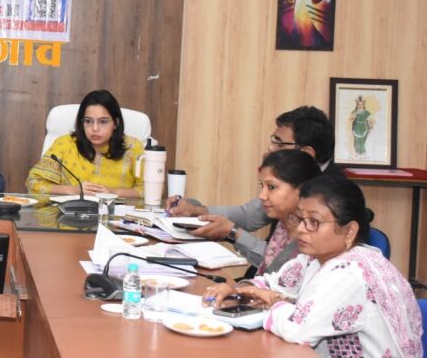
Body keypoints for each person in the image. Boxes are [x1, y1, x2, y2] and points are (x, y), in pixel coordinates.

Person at [204, 175, 422, 357]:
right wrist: (239, 291)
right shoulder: (314, 258)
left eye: (314, 222)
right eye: (301, 218)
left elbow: (297, 329)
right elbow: (273, 283)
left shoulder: (350, 275)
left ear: (349, 231)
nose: (301, 229)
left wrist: (272, 301)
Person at [167, 106, 345, 258]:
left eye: (280, 144)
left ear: (306, 153)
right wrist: (197, 211)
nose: (271, 148)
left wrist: (232, 233)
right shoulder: (290, 183)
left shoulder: (332, 199)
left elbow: (284, 266)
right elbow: (249, 215)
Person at [25, 90, 144, 198]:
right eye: (88, 121)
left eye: (103, 121)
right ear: (81, 123)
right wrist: (73, 190)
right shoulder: (65, 144)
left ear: (116, 123)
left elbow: (147, 191)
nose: (95, 128)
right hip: (69, 213)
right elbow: (33, 183)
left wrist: (112, 192)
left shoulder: (133, 147)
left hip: (117, 213)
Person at [247, 150, 321, 273]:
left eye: (271, 187)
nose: (262, 196)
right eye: (262, 186)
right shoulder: (283, 224)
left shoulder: (315, 240)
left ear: (302, 190)